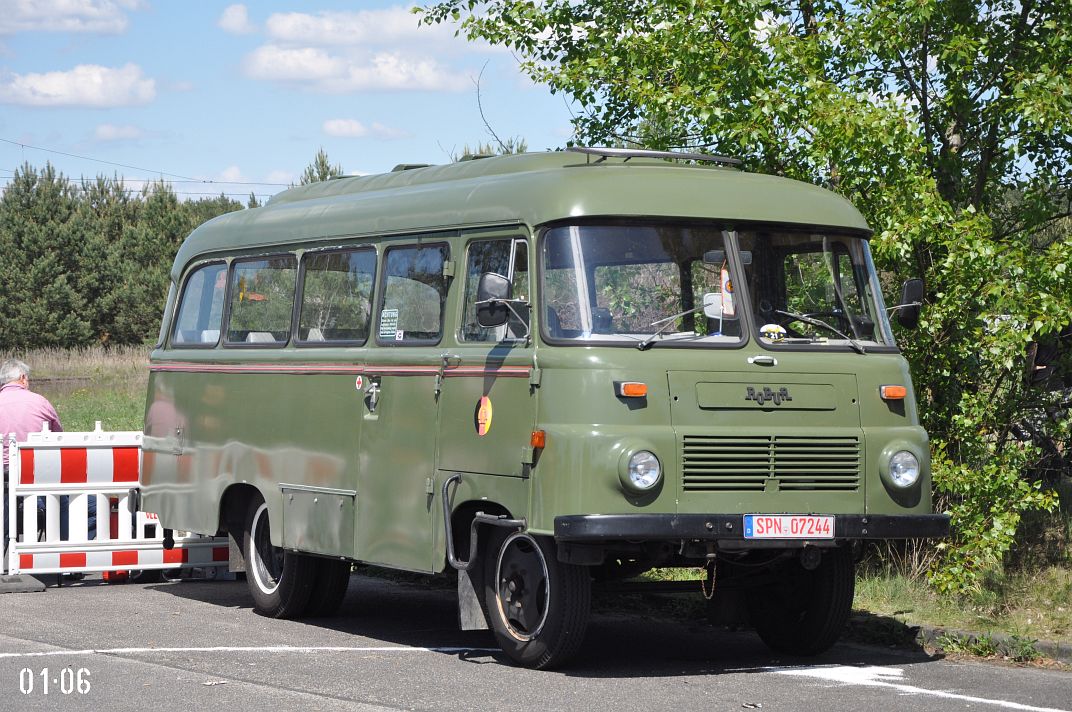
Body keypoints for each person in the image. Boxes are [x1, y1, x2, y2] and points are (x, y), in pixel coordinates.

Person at [0, 359, 94, 564]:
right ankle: (66, 557)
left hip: (4, 482)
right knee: (78, 503)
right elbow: (58, 437)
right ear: (23, 378)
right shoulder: (39, 402)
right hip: (36, 479)